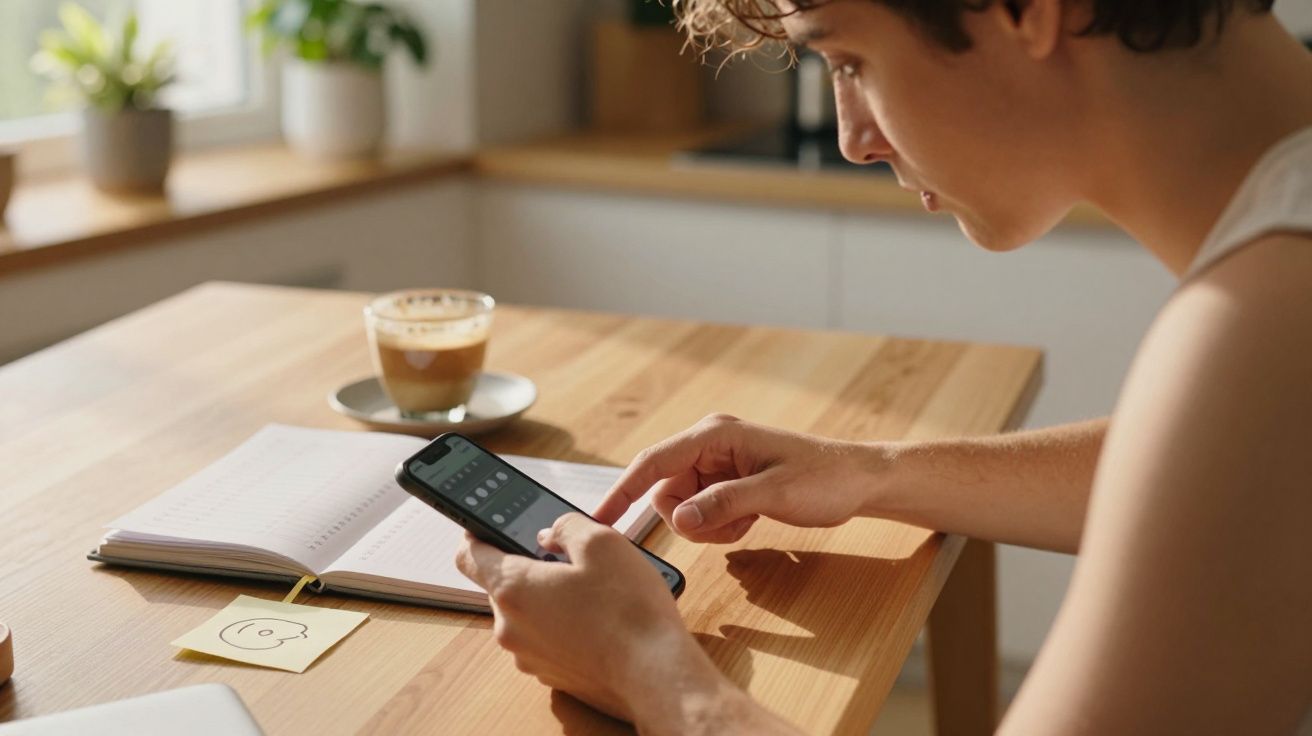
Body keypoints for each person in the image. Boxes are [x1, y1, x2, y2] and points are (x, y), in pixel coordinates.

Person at [455, 0, 1312, 732]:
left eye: (851, 59)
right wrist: (871, 472)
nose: (853, 138)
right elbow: (1229, 480)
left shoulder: (1269, 321)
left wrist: (650, 672)